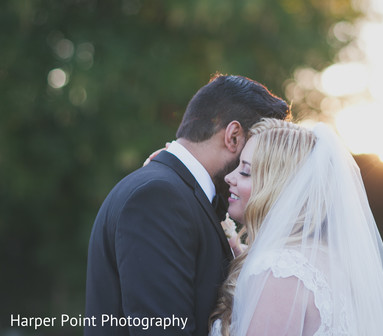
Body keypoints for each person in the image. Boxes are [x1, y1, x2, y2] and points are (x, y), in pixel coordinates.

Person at [85, 75, 290, 336]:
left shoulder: (173, 192)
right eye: (258, 152)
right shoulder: (158, 198)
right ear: (234, 137)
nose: (265, 170)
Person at [209, 118, 383, 336]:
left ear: (276, 186)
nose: (229, 177)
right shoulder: (334, 261)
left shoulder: (279, 271)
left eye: (245, 171)